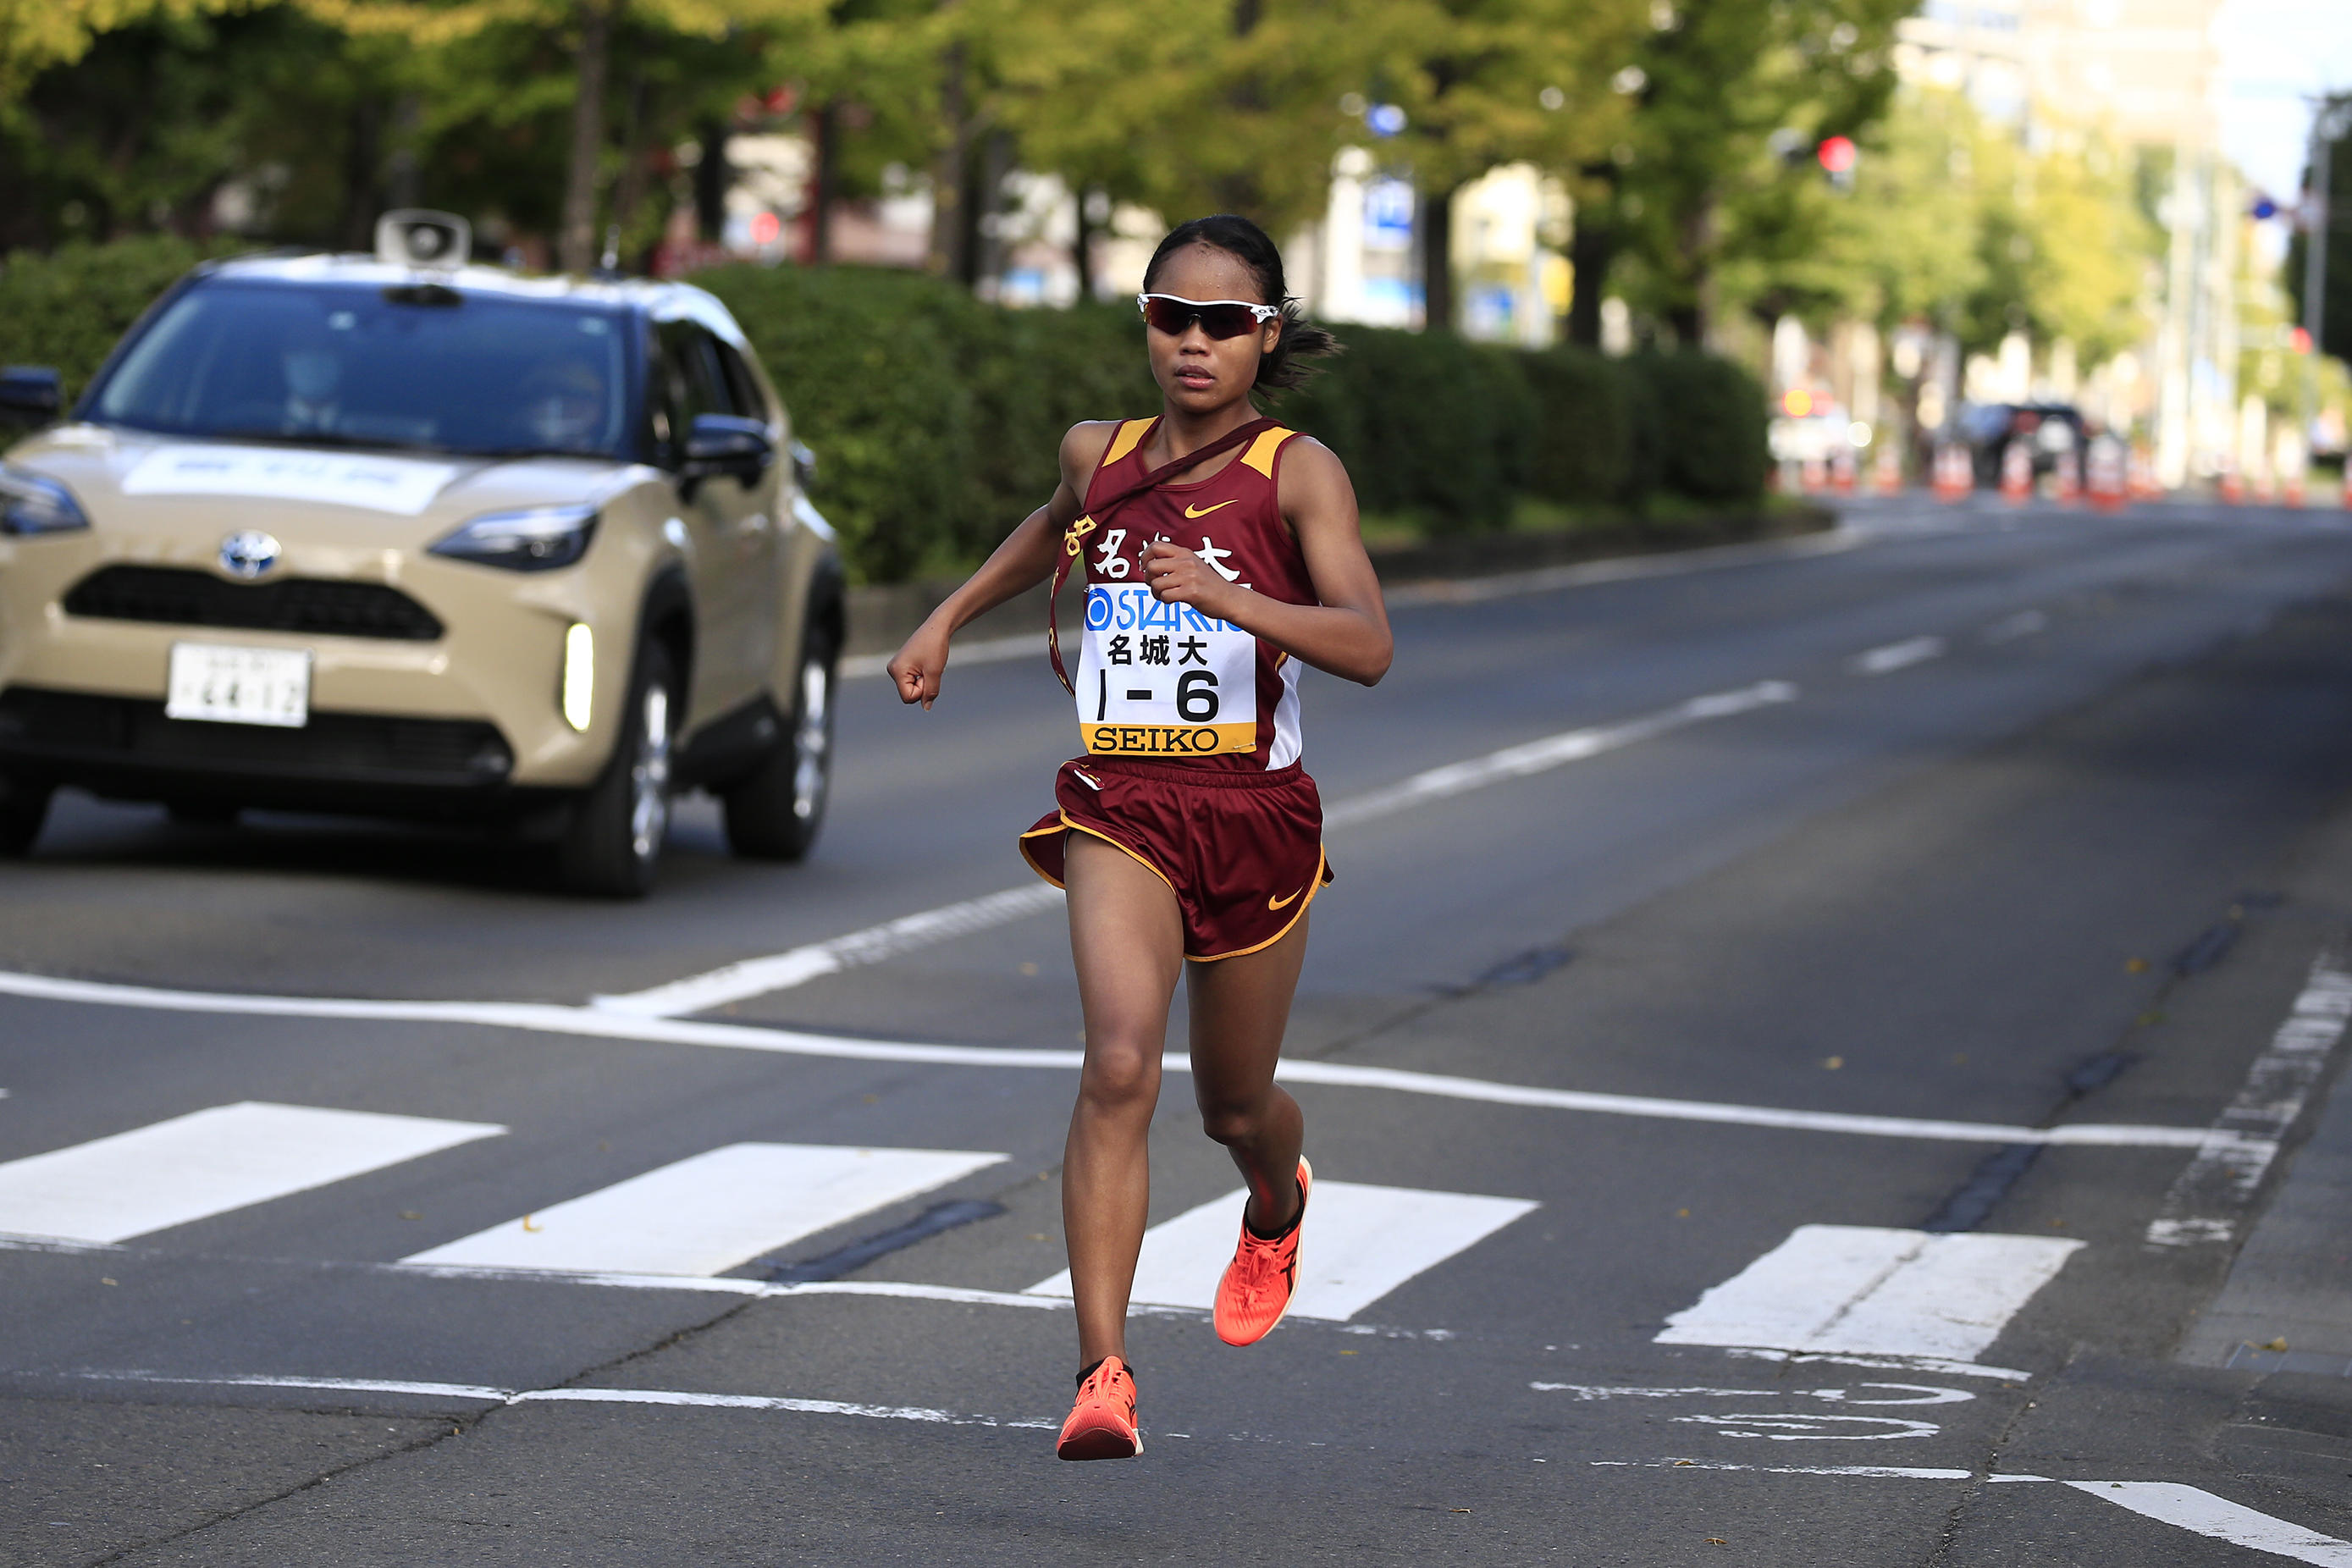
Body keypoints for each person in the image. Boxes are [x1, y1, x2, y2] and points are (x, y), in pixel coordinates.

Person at [886, 214, 1392, 1460]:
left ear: (1264, 334)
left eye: (1224, 322)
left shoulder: (1297, 472)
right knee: (1119, 1065)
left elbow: (1368, 645)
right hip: (1119, 802)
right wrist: (946, 616)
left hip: (1255, 814)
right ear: (1145, 326)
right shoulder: (1097, 453)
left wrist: (1229, 598)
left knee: (1231, 1108)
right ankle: (1100, 1373)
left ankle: (1276, 1198)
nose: (1194, 343)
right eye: (1171, 316)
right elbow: (1050, 524)